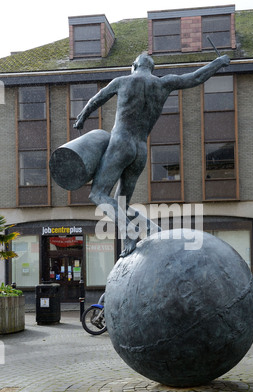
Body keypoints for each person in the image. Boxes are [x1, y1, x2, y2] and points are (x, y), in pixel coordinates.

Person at [74, 52, 230, 257]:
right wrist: (218, 62)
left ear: (134, 65)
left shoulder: (121, 81)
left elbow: (96, 100)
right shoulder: (163, 84)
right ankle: (153, 231)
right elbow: (196, 77)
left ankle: (129, 232)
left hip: (121, 143)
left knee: (98, 194)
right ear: (152, 68)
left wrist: (81, 119)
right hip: (140, 149)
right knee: (121, 203)